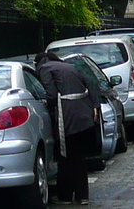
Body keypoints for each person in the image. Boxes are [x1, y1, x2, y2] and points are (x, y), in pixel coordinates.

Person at [36, 50, 101, 205]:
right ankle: (81, 195)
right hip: (84, 115)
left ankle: (65, 196)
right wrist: (95, 106)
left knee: (65, 157)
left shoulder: (45, 69)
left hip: (67, 118)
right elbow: (92, 82)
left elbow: (51, 94)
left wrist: (49, 107)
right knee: (78, 157)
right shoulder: (70, 66)